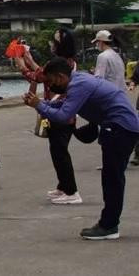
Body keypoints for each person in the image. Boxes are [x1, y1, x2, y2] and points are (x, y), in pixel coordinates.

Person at [24, 57, 139, 240]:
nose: (51, 86)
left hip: (119, 128)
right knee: (112, 178)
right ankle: (109, 223)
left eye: (51, 82)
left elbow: (63, 116)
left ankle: (109, 226)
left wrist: (39, 105)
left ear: (61, 77)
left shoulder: (79, 85)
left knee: (112, 179)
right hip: (121, 126)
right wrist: (41, 104)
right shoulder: (79, 80)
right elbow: (63, 104)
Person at [16, 28, 81, 204]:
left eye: (54, 42)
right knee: (58, 151)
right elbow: (42, 72)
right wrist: (30, 60)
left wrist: (22, 66)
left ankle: (71, 191)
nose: (51, 44)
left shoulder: (59, 63)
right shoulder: (68, 62)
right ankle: (63, 186)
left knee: (60, 153)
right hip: (64, 113)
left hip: (58, 112)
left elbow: (38, 76)